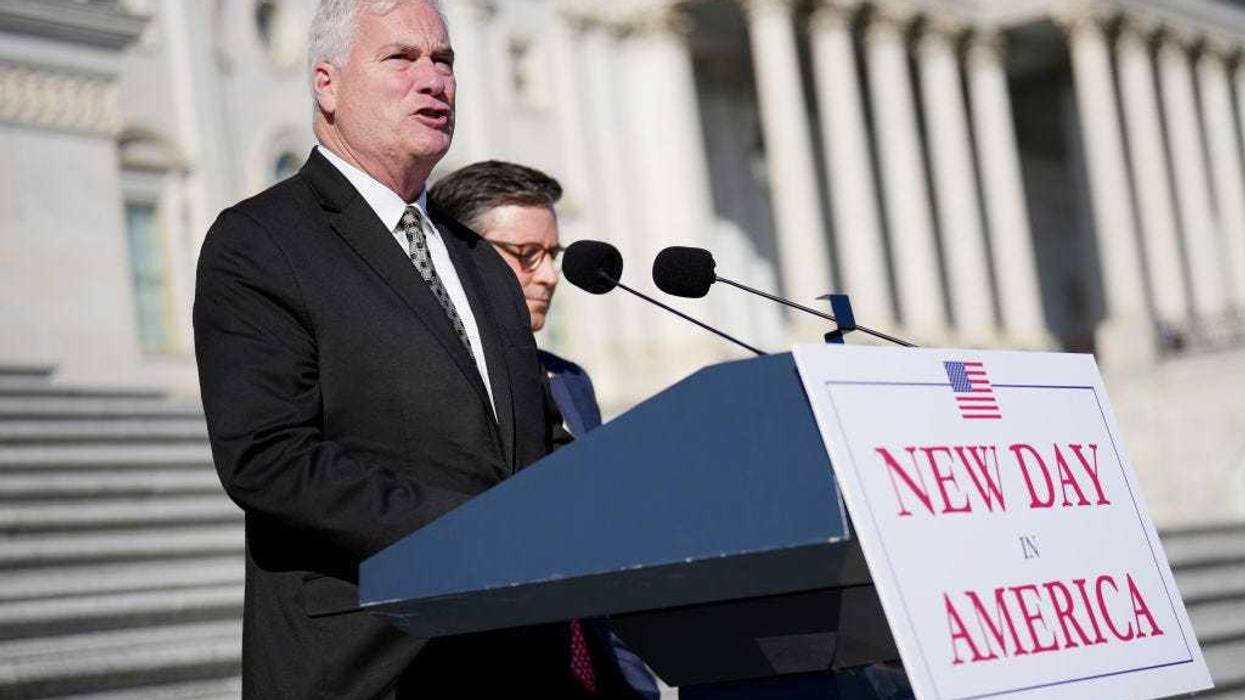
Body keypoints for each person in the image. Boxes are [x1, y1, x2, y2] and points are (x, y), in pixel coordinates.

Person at [193, 1, 636, 696]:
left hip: (519, 656)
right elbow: (268, 458)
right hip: (373, 658)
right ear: (326, 83)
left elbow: (530, 445)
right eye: (401, 58)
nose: (434, 80)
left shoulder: (480, 263)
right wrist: (477, 534)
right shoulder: (260, 241)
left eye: (445, 61)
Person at [430, 161, 662, 699]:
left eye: (552, 255)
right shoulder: (434, 383)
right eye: (526, 255)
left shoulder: (570, 381)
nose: (550, 276)